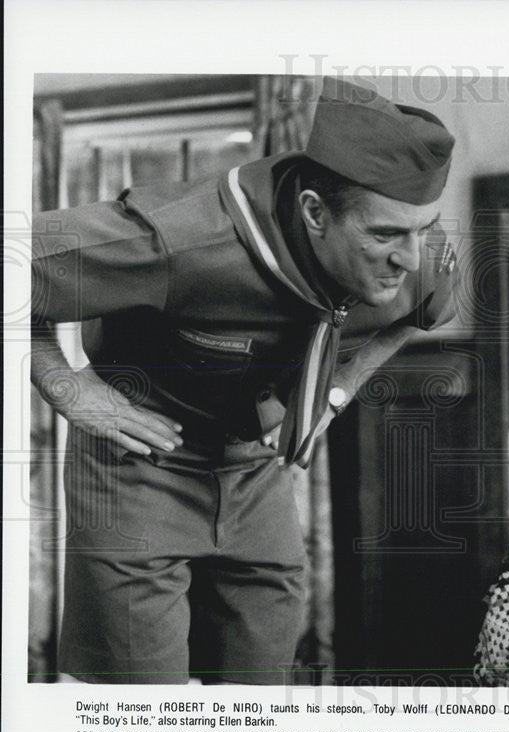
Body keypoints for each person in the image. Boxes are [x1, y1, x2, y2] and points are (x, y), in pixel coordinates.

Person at [30, 77, 459, 684]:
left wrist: (336, 391)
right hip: (138, 469)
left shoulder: (413, 250)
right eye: (386, 234)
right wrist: (67, 387)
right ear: (314, 212)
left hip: (255, 474)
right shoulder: (178, 239)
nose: (412, 258)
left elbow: (415, 315)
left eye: (424, 230)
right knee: (142, 717)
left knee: (257, 700)